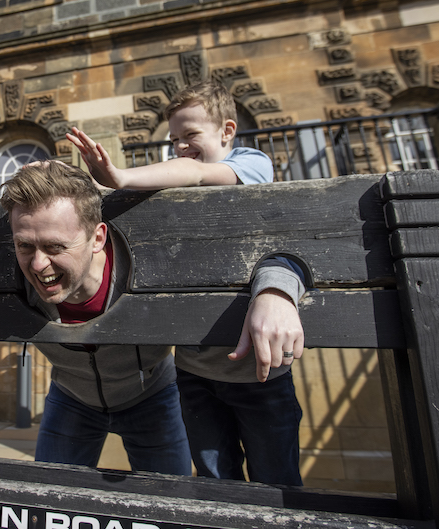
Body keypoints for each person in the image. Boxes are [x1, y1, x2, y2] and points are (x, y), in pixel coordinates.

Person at [67, 81, 307, 485]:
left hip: (259, 375)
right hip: (195, 373)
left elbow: (196, 172)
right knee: (214, 478)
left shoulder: (252, 163)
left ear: (227, 131)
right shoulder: (173, 181)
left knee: (277, 481)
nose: (180, 147)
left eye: (191, 135)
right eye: (174, 139)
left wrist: (119, 177)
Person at [0, 161, 192, 475]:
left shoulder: (137, 267)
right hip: (71, 398)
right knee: (50, 501)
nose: (37, 265)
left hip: (151, 395)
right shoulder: (17, 278)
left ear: (98, 237)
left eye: (54, 246)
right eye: (24, 246)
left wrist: (274, 289)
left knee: (171, 505)